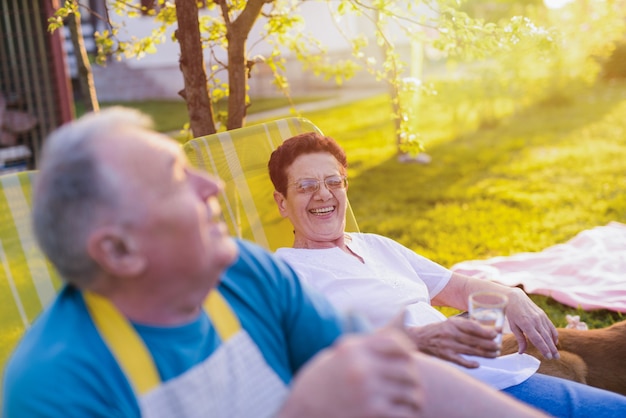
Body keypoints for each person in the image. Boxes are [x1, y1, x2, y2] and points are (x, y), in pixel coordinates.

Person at [1, 108, 548, 418]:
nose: (210, 183)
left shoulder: (244, 274)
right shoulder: (57, 389)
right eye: (174, 180)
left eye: (333, 183)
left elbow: (389, 370)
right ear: (119, 251)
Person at [268, 131, 626, 417]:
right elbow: (317, 352)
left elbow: (461, 288)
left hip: (484, 368)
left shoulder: (375, 245)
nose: (323, 194)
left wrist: (512, 296)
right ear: (282, 202)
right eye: (305, 186)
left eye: (334, 181)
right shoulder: (285, 273)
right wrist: (420, 339)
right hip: (430, 391)